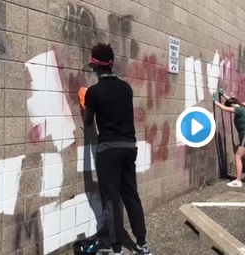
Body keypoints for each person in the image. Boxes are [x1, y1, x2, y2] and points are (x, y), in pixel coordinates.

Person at [81, 43, 152, 255]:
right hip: (129, 147)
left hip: (108, 150)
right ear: (111, 65)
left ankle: (116, 247)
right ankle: (142, 243)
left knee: (111, 198)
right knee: (131, 194)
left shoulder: (93, 92)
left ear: (95, 66)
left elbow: (87, 122)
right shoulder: (126, 88)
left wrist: (85, 104)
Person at [213, 93, 245, 189]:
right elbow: (232, 99)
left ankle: (238, 181)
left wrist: (215, 101)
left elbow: (224, 108)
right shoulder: (243, 107)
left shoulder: (238, 110)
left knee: (237, 156)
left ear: (232, 105)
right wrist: (223, 94)